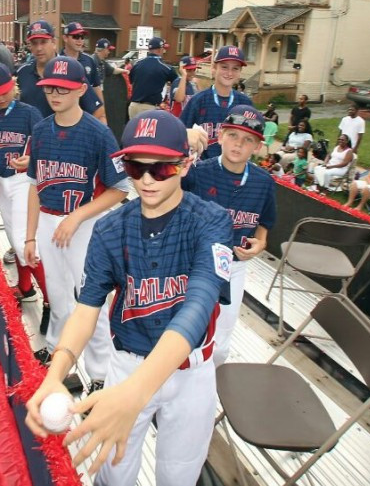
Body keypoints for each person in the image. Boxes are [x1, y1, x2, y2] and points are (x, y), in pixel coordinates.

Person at [25, 110, 233, 485]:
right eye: (137, 168)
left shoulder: (212, 221)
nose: (148, 179)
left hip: (191, 373)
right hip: (128, 363)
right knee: (114, 477)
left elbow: (198, 307)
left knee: (178, 477)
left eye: (162, 168)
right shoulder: (108, 228)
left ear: (184, 166)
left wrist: (134, 395)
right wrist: (56, 374)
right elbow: (86, 309)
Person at [23, 56, 129, 392]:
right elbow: (34, 186)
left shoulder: (99, 133)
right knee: (57, 296)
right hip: (48, 223)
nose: (55, 93)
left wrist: (77, 217)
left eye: (64, 87)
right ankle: (59, 358)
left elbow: (120, 189)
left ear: (81, 89)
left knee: (90, 301)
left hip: (84, 225)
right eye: (50, 87)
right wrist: (29, 237)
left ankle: (100, 373)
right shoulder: (40, 130)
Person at [181, 105, 275, 366]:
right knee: (184, 333)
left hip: (233, 265)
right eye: (233, 135)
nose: (238, 145)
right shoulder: (199, 172)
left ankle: (209, 388)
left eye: (248, 140)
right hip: (194, 262)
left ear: (257, 147)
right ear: (220, 136)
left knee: (220, 345)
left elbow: (265, 221)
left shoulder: (263, 182)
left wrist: (262, 241)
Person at [0, 64, 46, 303]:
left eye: (4, 90)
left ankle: (52, 302)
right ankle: (26, 287)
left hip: (25, 182)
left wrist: (32, 160)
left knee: (22, 241)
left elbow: (45, 149)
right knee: (13, 239)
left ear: (13, 86)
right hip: (4, 183)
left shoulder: (29, 113)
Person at [15, 21, 106, 122]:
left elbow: (97, 110)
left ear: (53, 43)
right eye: (34, 43)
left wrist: (76, 132)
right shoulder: (22, 72)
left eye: (43, 42)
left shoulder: (70, 69)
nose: (39, 48)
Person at [179, 46, 254, 160]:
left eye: (235, 68)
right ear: (214, 68)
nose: (229, 73)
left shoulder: (245, 103)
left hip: (233, 168)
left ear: (240, 72)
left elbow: (251, 138)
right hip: (201, 168)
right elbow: (181, 132)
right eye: (224, 67)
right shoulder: (198, 100)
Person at [126, 37, 176, 119]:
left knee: (134, 131)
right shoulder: (166, 67)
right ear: (160, 49)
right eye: (163, 49)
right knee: (148, 132)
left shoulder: (137, 63)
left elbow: (131, 80)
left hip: (133, 106)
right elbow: (176, 83)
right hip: (149, 108)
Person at [60, 22, 104, 108]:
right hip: (65, 112)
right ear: (65, 38)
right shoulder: (57, 61)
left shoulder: (89, 60)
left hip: (88, 112)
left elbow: (96, 87)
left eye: (82, 37)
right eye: (75, 37)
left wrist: (102, 112)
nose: (80, 40)